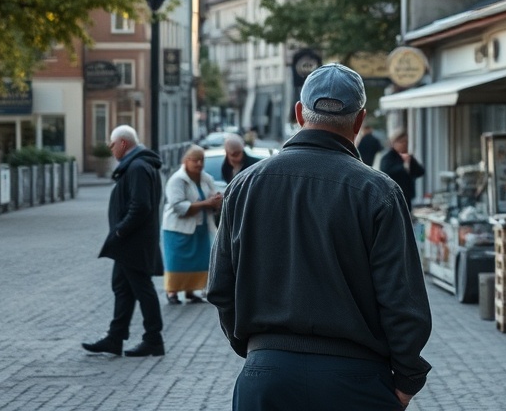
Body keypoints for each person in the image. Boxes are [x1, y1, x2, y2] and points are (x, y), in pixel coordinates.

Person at [207, 63, 432, 410]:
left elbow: (221, 286)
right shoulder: (378, 192)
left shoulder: (244, 186)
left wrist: (260, 352)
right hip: (356, 379)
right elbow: (403, 300)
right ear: (359, 121)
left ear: (300, 113)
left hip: (267, 377)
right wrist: (406, 380)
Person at [82, 125, 165, 357]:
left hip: (132, 243)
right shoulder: (137, 165)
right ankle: (115, 337)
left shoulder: (138, 167)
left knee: (142, 288)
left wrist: (120, 231)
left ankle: (154, 339)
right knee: (122, 288)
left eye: (112, 144)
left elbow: (141, 206)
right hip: (129, 243)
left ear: (123, 144)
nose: (110, 149)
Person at [161, 144, 222, 305]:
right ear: (186, 161)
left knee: (198, 261)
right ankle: (172, 292)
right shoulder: (177, 180)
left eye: (201, 160)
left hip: (199, 226)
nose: (199, 164)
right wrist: (206, 203)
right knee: (176, 261)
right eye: (195, 160)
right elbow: (178, 206)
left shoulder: (206, 178)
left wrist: (216, 201)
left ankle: (190, 292)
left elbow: (212, 196)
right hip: (178, 229)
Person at [378, 127, 424, 209]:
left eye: (406, 142)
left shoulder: (407, 157)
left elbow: (420, 171)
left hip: (407, 195)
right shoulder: (388, 157)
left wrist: (410, 162)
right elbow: (386, 172)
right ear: (393, 143)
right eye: (401, 142)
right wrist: (404, 166)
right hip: (393, 196)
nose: (404, 144)